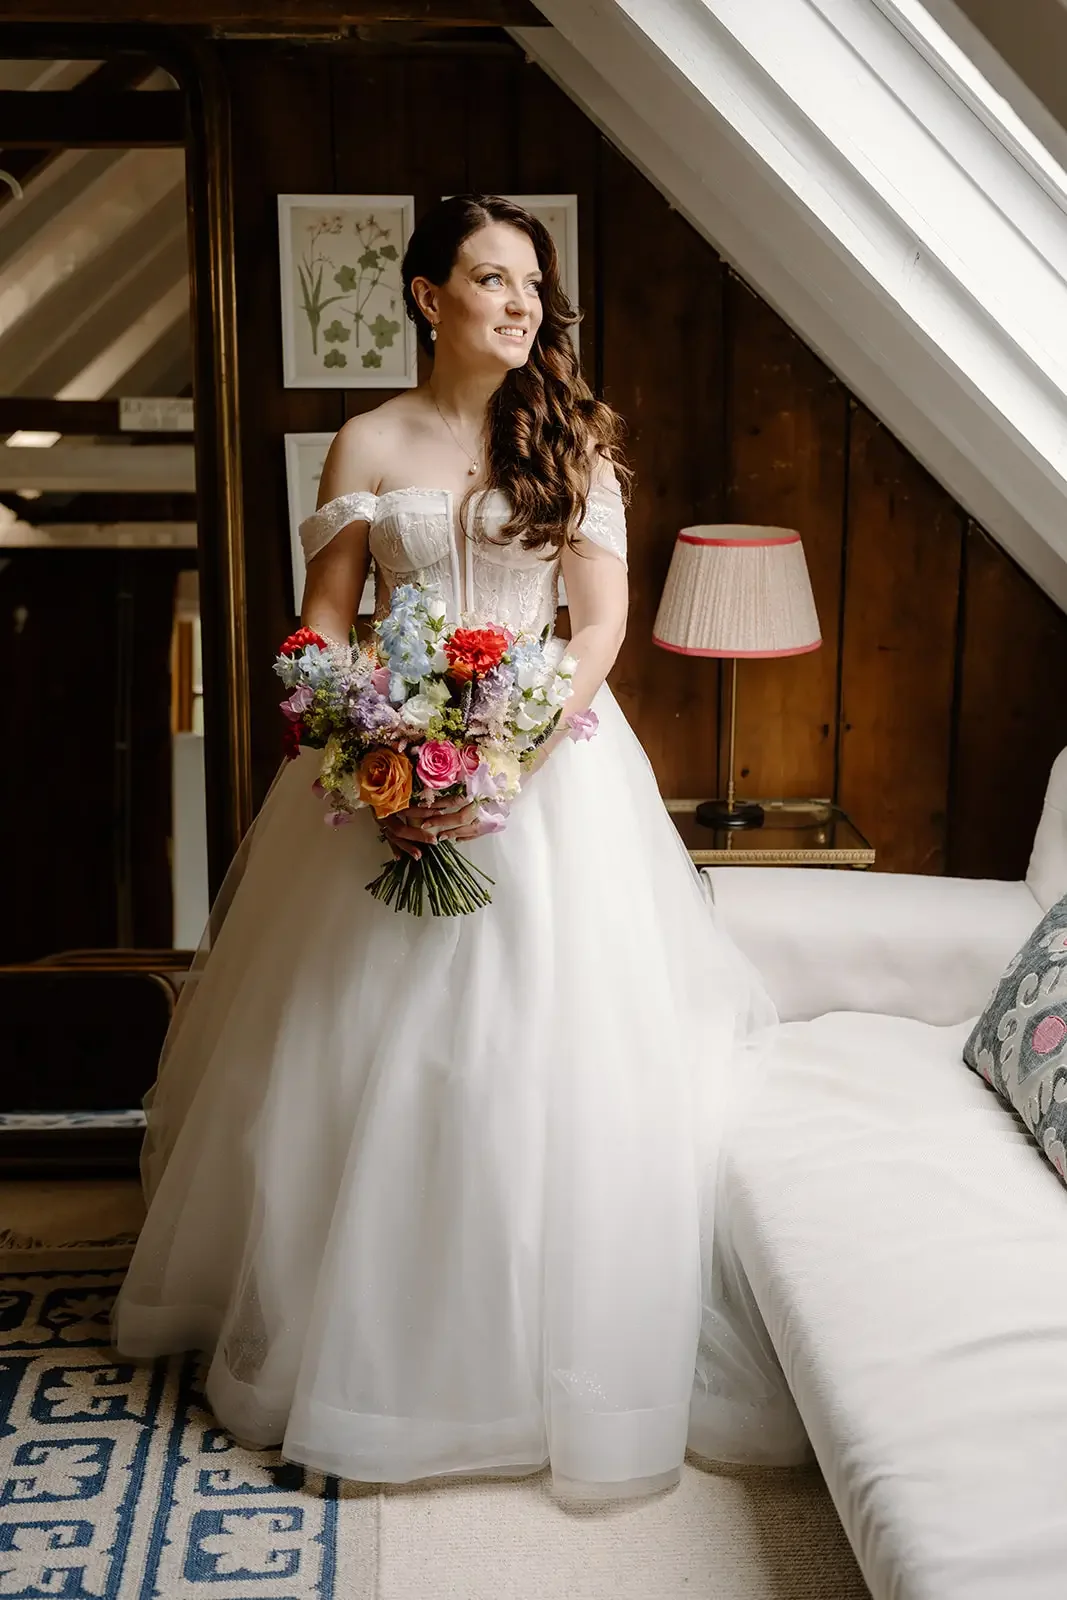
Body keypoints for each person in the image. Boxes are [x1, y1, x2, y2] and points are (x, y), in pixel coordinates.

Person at [110, 194, 800, 1500]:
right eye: (491, 279)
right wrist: (357, 744)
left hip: (556, 781)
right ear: (426, 297)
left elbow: (594, 632)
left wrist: (501, 763)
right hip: (385, 774)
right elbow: (320, 621)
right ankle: (358, 1344)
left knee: (543, 1066)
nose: (519, 304)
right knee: (367, 1066)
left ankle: (534, 1353)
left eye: (532, 285)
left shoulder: (573, 441)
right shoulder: (363, 438)